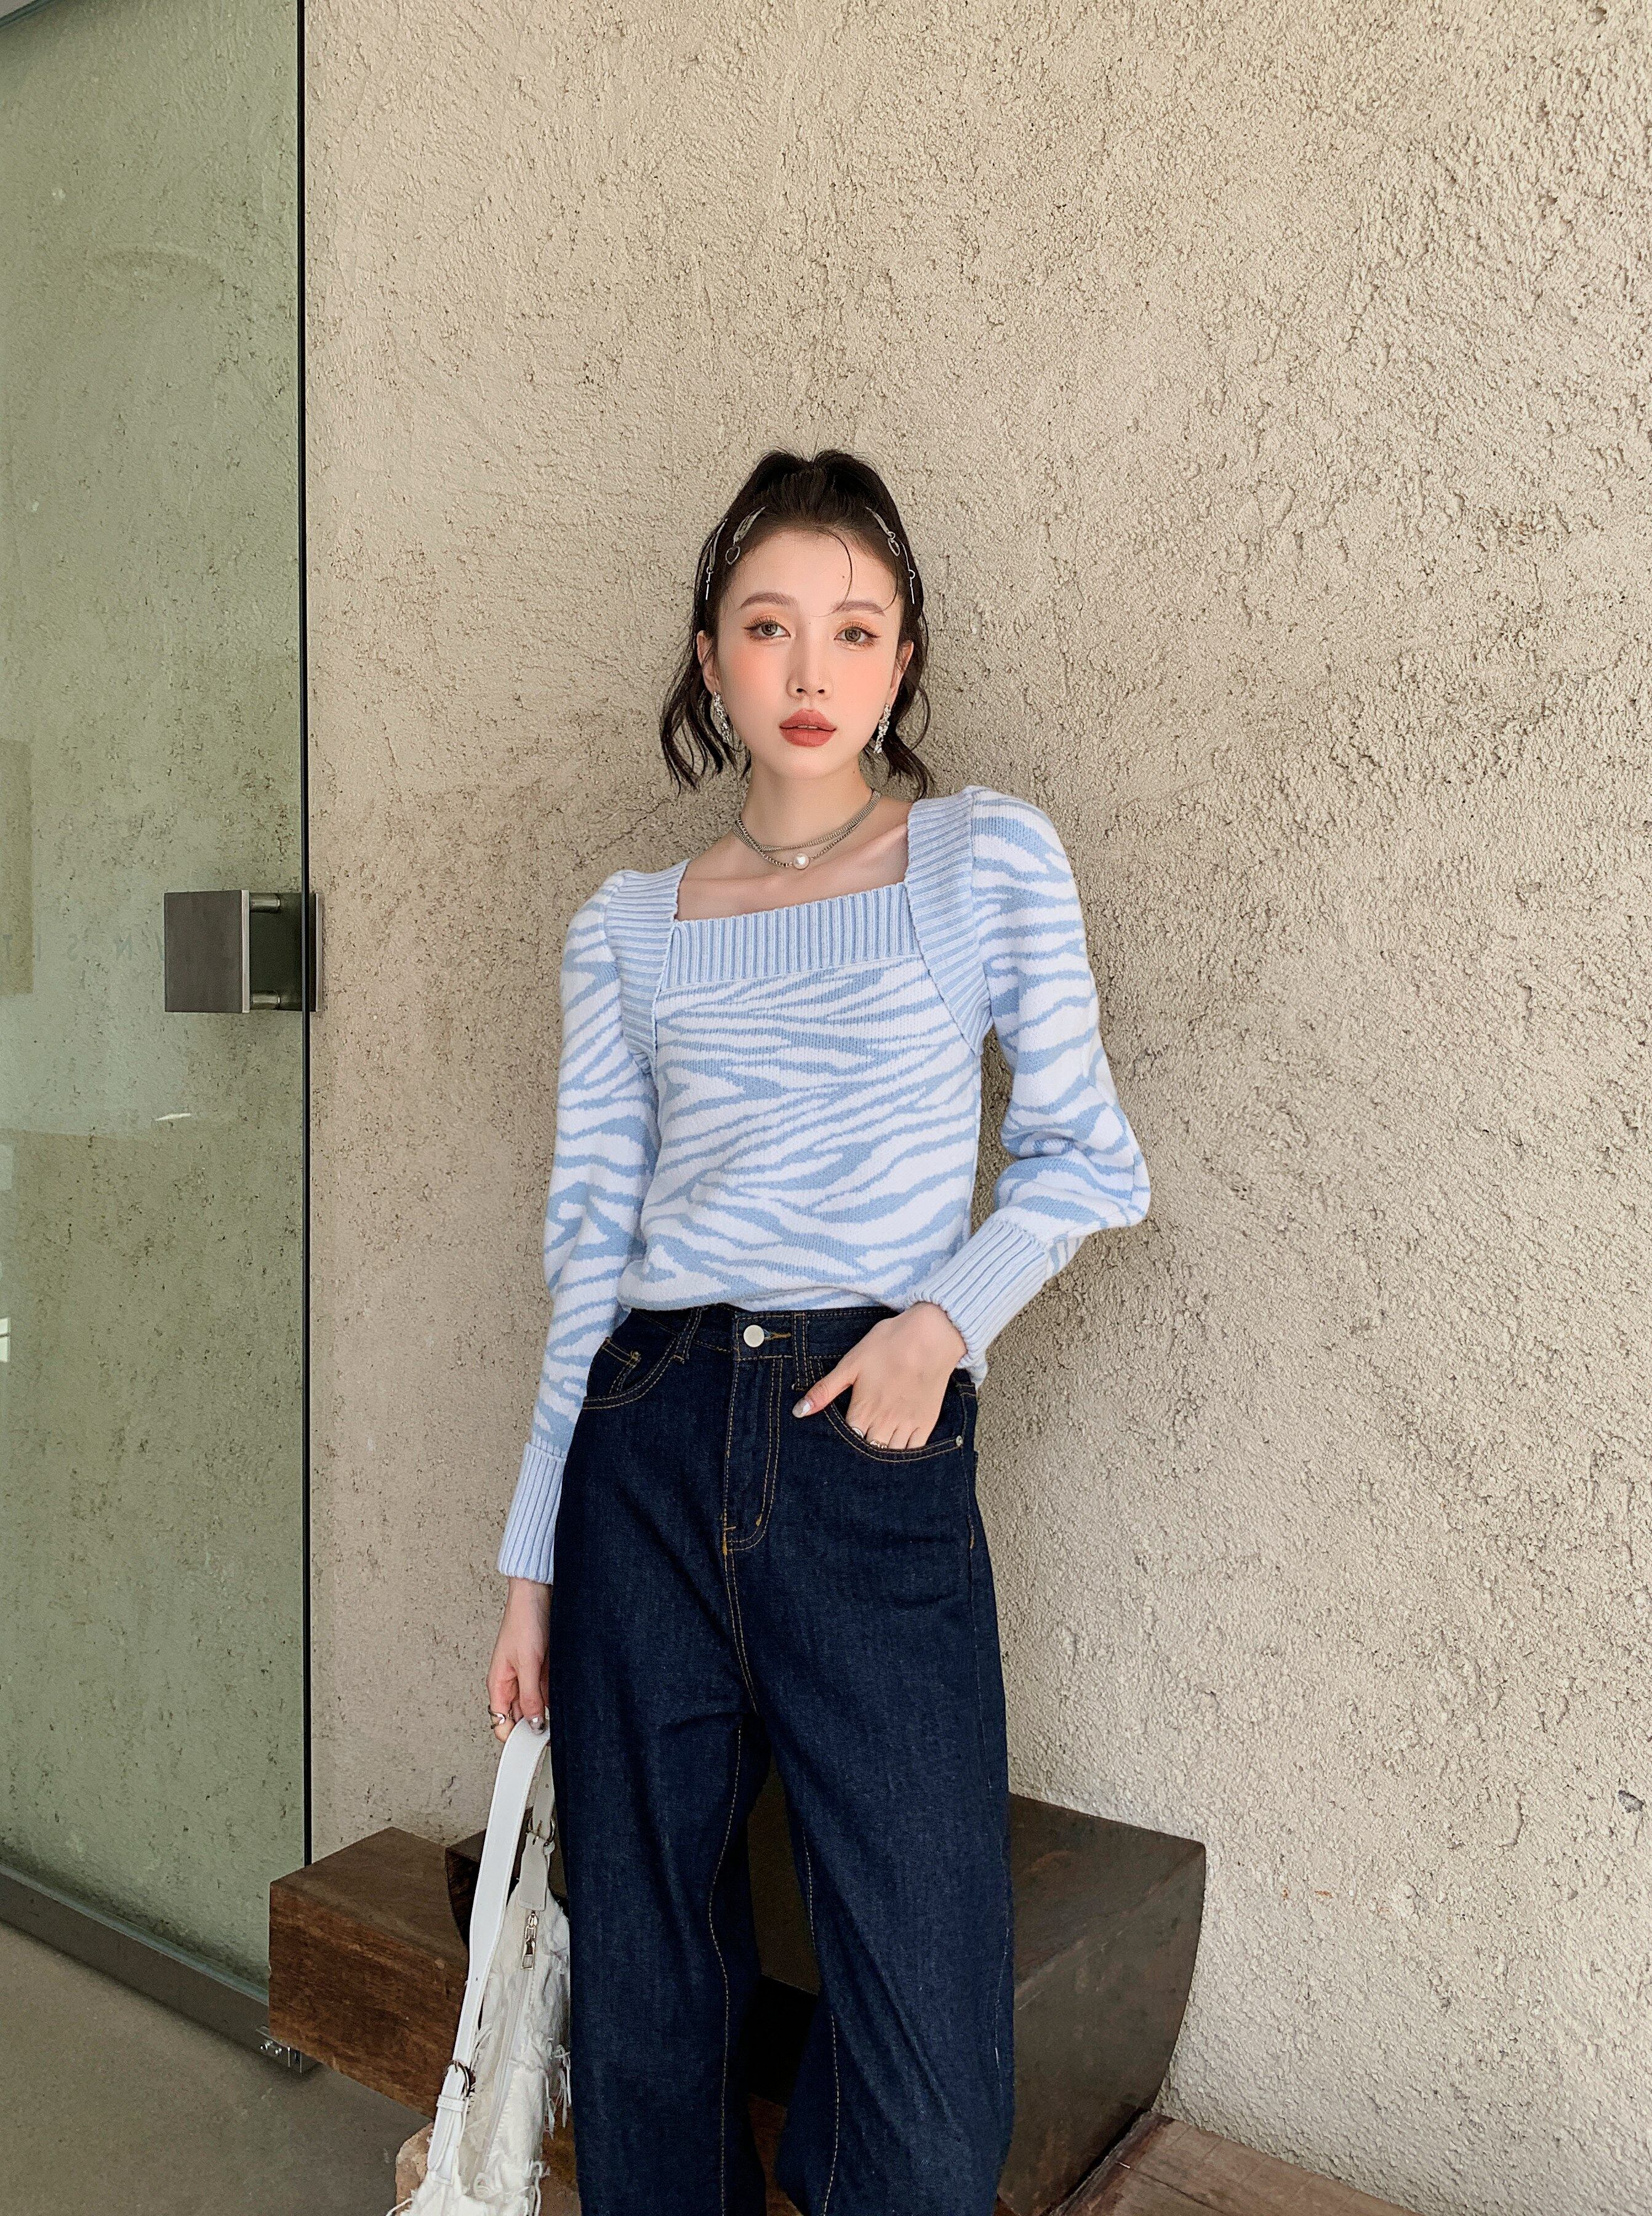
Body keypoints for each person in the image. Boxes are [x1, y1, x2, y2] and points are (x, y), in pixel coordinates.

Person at [485, 448, 1150, 2216]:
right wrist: (534, 1559)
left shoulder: (980, 860)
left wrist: (942, 1325)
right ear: (710, 657)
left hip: (865, 1440)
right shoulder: (627, 931)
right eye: (768, 625)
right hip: (644, 1440)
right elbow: (588, 1252)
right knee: (646, 1989)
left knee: (928, 2062)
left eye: (854, 629)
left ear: (903, 658)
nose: (809, 668)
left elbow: (1090, 1158)